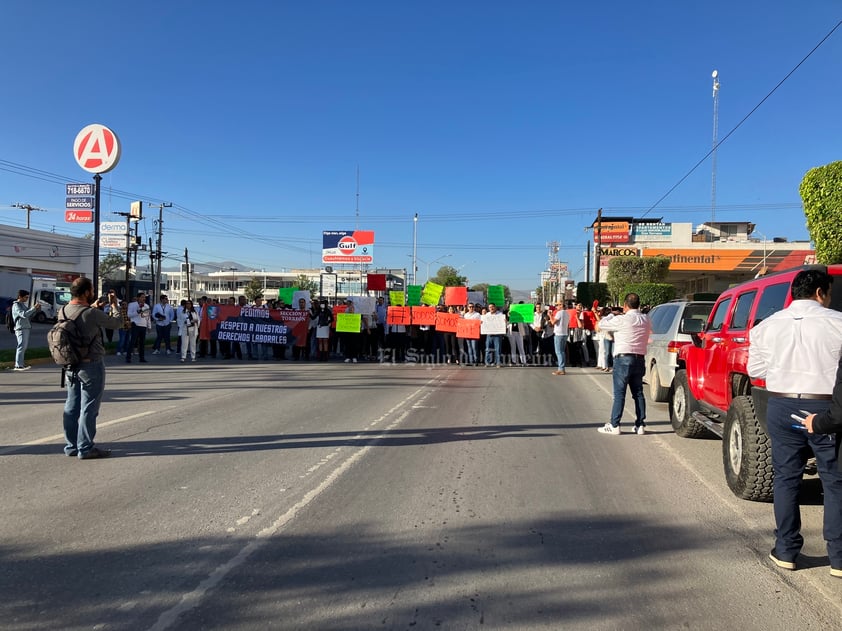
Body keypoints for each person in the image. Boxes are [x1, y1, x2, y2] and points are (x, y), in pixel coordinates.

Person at [748, 268, 842, 576]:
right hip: (826, 407)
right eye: (828, 293)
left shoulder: (767, 326)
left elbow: (755, 370)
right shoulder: (838, 322)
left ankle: (786, 550)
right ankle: (839, 558)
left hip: (781, 402)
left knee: (786, 478)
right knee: (834, 481)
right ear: (820, 293)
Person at [61, 276, 125, 459]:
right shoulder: (91, 313)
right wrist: (114, 306)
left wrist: (93, 308)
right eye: (92, 289)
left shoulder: (64, 310)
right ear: (87, 292)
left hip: (70, 364)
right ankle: (86, 448)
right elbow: (117, 323)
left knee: (71, 406)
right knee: (89, 408)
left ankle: (71, 446)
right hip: (91, 365)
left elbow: (80, 322)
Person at [595, 292, 651, 435]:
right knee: (638, 392)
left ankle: (615, 424)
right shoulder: (646, 319)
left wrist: (610, 315)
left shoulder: (621, 319)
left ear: (625, 305)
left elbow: (601, 324)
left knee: (619, 393)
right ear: (638, 304)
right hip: (639, 358)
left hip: (623, 358)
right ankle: (640, 424)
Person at [12, 289, 41, 371]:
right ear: (20, 297)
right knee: (21, 346)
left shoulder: (22, 305)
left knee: (23, 346)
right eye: (25, 297)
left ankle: (21, 364)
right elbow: (24, 315)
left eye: (27, 297)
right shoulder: (16, 305)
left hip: (26, 327)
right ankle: (18, 365)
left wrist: (36, 309)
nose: (27, 299)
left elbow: (29, 315)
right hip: (20, 328)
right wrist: (33, 308)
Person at [126, 292, 151, 363]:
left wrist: (149, 326)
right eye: (142, 297)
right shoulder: (132, 305)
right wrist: (137, 312)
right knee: (133, 341)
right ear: (138, 298)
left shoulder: (146, 306)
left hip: (143, 325)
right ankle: (128, 357)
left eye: (144, 297)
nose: (144, 299)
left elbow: (148, 316)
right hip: (135, 324)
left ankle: (142, 357)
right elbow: (129, 315)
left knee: (142, 343)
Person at [551, 300, 570, 375]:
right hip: (564, 333)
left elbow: (553, 322)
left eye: (557, 305)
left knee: (558, 352)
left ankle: (561, 369)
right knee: (562, 352)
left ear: (561, 305)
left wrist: (550, 315)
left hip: (559, 334)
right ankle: (562, 368)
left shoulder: (559, 313)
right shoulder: (567, 313)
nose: (556, 306)